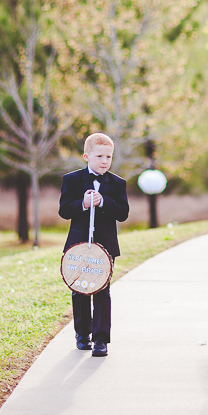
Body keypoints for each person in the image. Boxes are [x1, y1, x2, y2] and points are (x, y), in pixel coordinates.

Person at [59, 133, 130, 357]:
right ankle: (83, 334)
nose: (104, 161)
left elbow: (123, 213)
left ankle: (101, 339)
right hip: (78, 245)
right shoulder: (71, 180)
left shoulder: (117, 183)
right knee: (79, 288)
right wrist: (83, 203)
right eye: (99, 156)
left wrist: (104, 201)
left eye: (108, 156)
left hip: (105, 245)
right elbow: (64, 210)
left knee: (102, 290)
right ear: (86, 156)